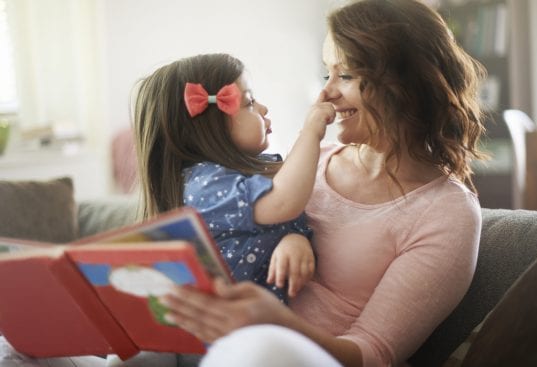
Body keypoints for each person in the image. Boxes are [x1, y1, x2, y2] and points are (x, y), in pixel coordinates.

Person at [157, 1, 487, 366]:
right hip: (228, 348)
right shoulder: (305, 164)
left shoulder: (447, 213)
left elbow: (373, 354)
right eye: (326, 73)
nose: (326, 92)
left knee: (257, 350)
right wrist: (291, 236)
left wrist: (277, 324)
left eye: (344, 75)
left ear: (402, 83)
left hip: (304, 357)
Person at [132, 53, 335, 302]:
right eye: (250, 102)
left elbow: (284, 216)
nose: (263, 108)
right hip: (223, 328)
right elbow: (284, 203)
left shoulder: (253, 175)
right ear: (210, 124)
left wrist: (294, 238)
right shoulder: (203, 187)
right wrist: (311, 132)